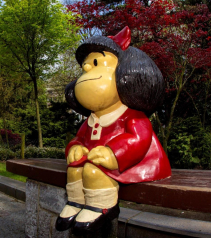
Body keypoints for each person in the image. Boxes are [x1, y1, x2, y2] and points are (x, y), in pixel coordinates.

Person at [56, 27, 172, 236]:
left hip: (132, 164)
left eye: (96, 63)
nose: (87, 69)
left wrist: (113, 153)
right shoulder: (91, 120)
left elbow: (139, 140)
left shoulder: (132, 116)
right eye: (85, 66)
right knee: (74, 169)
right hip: (97, 161)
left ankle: (101, 206)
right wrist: (75, 148)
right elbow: (79, 138)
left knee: (93, 172)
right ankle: (75, 202)